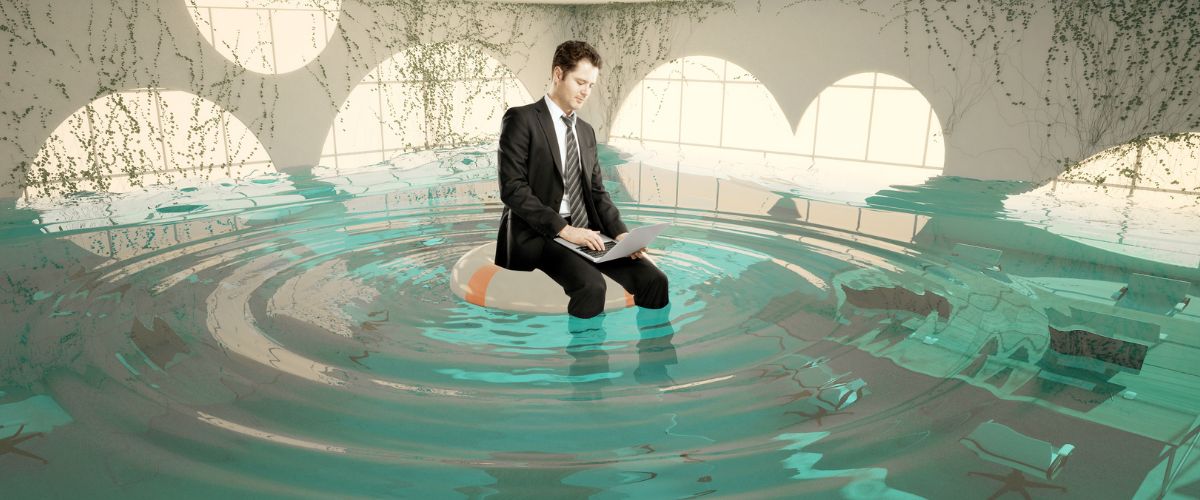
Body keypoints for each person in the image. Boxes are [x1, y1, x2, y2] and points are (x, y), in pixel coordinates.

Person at [494, 40, 669, 319]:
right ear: (558, 74)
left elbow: (597, 192)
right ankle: (586, 361)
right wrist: (565, 229)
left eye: (591, 85)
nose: (586, 92)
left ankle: (654, 355)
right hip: (540, 232)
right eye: (580, 82)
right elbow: (513, 189)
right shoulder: (521, 119)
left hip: (588, 232)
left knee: (655, 279)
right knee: (592, 286)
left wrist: (622, 235)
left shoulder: (585, 132)